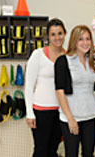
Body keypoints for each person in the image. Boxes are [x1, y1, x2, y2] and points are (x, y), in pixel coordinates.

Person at [54, 25, 95, 157]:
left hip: (89, 115)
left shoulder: (93, 60)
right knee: (72, 153)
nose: (85, 42)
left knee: (88, 153)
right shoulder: (63, 61)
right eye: (81, 39)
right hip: (71, 117)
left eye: (88, 39)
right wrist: (71, 119)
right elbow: (60, 92)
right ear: (74, 41)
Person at [25, 18, 67, 157]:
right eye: (53, 34)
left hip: (61, 112)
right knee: (41, 151)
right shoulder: (38, 55)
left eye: (60, 33)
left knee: (52, 151)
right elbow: (29, 86)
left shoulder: (69, 56)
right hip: (41, 111)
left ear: (65, 34)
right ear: (48, 36)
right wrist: (30, 113)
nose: (57, 37)